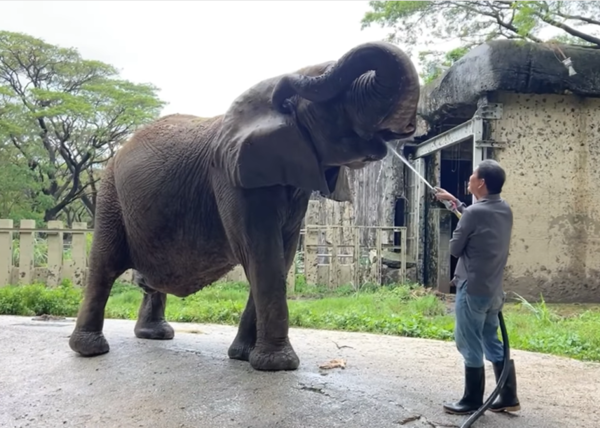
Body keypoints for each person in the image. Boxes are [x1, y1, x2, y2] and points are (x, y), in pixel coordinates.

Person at [434, 159, 520, 415]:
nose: (469, 178)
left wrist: (462, 219)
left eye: (473, 175)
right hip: (492, 291)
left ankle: (471, 400)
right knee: (491, 341)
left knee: (468, 343)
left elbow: (455, 248)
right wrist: (455, 203)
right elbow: (478, 220)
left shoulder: (473, 213)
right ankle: (508, 397)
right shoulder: (503, 208)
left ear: (481, 182)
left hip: (471, 290)